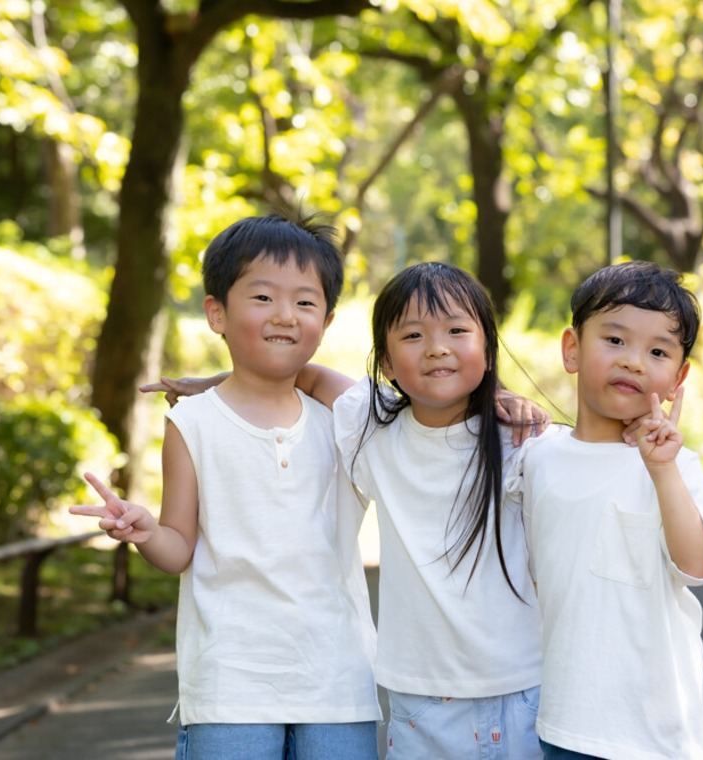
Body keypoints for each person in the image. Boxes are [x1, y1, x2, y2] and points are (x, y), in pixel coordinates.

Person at [151, 261, 552, 759]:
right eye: (413, 335)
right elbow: (307, 376)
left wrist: (511, 400)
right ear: (385, 362)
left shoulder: (525, 444)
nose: (438, 347)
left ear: (488, 349)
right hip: (419, 698)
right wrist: (215, 384)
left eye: (456, 331)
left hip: (523, 688)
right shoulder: (375, 428)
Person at [70, 211, 381, 760]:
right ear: (216, 311)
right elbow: (178, 548)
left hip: (338, 682)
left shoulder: (343, 422)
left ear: (327, 322)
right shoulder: (193, 423)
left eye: (306, 303)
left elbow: (383, 405)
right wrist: (144, 530)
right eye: (263, 297)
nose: (285, 315)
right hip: (229, 685)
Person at [509, 260, 703, 759]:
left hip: (655, 732)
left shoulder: (676, 466)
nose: (633, 361)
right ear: (572, 349)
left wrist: (662, 470)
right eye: (615, 341)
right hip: (562, 722)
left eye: (657, 352)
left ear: (678, 377)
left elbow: (698, 566)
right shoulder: (537, 457)